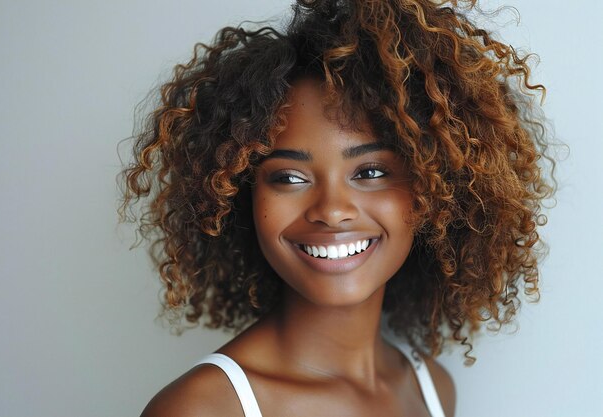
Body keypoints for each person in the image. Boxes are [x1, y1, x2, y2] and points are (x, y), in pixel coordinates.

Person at [119, 0, 556, 415]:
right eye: (289, 178)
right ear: (239, 196)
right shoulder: (205, 409)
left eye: (369, 173)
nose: (331, 210)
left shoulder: (432, 390)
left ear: (434, 189)